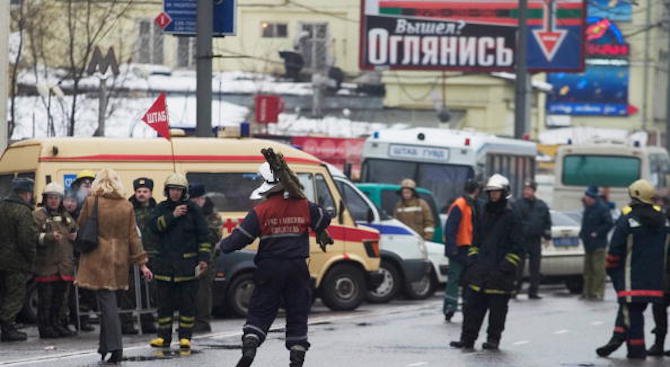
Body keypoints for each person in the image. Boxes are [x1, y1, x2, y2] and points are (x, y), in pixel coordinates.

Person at [219, 161, 331, 367]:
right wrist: (304, 201)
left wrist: (221, 246)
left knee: (262, 307)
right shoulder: (304, 206)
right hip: (297, 267)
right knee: (297, 309)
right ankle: (297, 356)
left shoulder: (261, 210)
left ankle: (251, 343)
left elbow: (240, 238)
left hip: (269, 267)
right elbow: (324, 219)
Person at [76, 168, 152, 363]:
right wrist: (142, 263)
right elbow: (133, 236)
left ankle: (115, 347)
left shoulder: (92, 202)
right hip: (119, 261)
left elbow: (81, 225)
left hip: (97, 259)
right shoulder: (126, 206)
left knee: (107, 305)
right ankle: (105, 347)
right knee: (108, 303)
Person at [594, 179, 668, 360]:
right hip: (656, 280)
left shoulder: (628, 220)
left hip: (630, 279)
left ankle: (636, 352)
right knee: (628, 310)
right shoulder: (662, 221)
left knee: (632, 313)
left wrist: (611, 268)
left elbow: (615, 249)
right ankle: (617, 338)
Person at [450, 174, 522, 350]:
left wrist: (506, 266)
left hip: (500, 274)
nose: (493, 195)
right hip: (480, 271)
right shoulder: (483, 212)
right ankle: (467, 339)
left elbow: (518, 246)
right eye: (490, 192)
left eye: (496, 192)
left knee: (497, 312)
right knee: (471, 308)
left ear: (504, 193)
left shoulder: (512, 215)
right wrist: (473, 259)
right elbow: (476, 240)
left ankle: (493, 340)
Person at [148, 173, 211, 355]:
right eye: (172, 189)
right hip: (164, 267)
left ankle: (185, 337)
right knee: (164, 304)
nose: (175, 193)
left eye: (178, 190)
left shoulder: (193, 210)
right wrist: (172, 216)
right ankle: (163, 337)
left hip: (186, 266)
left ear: (184, 192)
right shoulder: (161, 208)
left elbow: (204, 236)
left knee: (187, 303)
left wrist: (204, 258)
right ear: (167, 191)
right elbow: (153, 227)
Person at [33, 182, 77, 339]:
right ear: (45, 199)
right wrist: (50, 237)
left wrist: (75, 236)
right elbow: (33, 237)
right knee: (46, 300)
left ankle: (57, 324)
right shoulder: (38, 216)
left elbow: (74, 230)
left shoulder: (66, 216)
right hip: (47, 265)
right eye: (51, 198)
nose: (53, 201)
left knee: (60, 299)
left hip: (63, 266)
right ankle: (45, 328)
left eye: (56, 198)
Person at [0, 178, 38, 342]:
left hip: (2, 259)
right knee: (14, 295)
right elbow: (26, 240)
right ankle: (8, 328)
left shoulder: (2, 207)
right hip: (16, 261)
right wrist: (32, 258)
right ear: (26, 193)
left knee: (3, 294)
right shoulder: (23, 212)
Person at [119, 178, 158, 335]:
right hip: (131, 255)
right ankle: (127, 324)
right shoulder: (128, 209)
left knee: (149, 291)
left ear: (150, 193)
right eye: (139, 192)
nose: (141, 194)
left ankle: (148, 322)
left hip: (151, 253)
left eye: (145, 191)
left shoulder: (156, 209)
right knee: (129, 291)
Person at [443, 180, 480, 322]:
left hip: (465, 247)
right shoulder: (462, 204)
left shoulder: (468, 204)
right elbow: (451, 229)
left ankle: (459, 306)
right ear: (476, 190)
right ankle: (451, 307)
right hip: (460, 248)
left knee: (461, 280)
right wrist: (452, 249)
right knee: (456, 279)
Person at [189, 183, 223, 334]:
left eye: (198, 199)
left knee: (203, 291)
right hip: (190, 257)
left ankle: (203, 321)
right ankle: (190, 321)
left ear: (203, 199)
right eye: (193, 199)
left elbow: (215, 235)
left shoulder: (212, 215)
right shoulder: (189, 213)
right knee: (191, 291)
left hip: (207, 258)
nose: (196, 202)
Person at [513, 180, 552, 299]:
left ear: (534, 191)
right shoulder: (518, 204)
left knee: (535, 267)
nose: (526, 191)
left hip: (535, 239)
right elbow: (513, 222)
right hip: (521, 239)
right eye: (525, 189)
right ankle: (515, 289)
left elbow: (547, 222)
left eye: (529, 189)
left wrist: (547, 236)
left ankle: (533, 291)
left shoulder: (541, 205)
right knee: (518, 266)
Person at [580, 186, 614, 300]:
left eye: (588, 196)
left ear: (593, 197)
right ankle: (587, 292)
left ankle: (597, 292)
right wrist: (582, 234)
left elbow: (609, 223)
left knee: (598, 270)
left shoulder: (602, 208)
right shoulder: (588, 208)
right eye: (586, 196)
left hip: (599, 244)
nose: (587, 198)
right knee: (587, 270)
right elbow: (585, 224)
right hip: (588, 243)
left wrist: (597, 233)